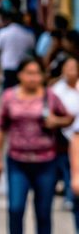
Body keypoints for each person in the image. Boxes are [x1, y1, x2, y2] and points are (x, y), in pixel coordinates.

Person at [0, 57, 74, 234]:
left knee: (43, 212)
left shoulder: (50, 96)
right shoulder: (9, 97)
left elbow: (69, 118)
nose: (33, 78)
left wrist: (56, 121)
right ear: (20, 75)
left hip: (46, 162)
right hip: (17, 160)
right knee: (15, 208)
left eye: (37, 73)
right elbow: (0, 129)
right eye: (29, 73)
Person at [52, 56, 79, 223]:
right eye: (68, 67)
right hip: (64, 137)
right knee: (68, 169)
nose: (72, 71)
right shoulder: (56, 90)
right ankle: (69, 195)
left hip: (75, 136)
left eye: (74, 67)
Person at [0, 11, 40, 90]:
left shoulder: (3, 32)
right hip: (22, 65)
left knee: (7, 90)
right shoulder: (28, 34)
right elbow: (32, 48)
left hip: (8, 65)